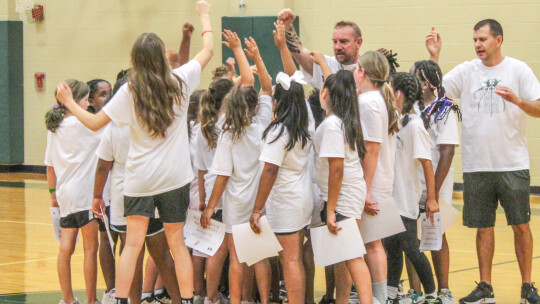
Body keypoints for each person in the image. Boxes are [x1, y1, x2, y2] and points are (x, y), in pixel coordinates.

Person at [54, 2, 215, 303]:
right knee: (177, 243)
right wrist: (204, 15)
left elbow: (93, 123)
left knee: (132, 245)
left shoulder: (129, 91)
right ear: (160, 57)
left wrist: (69, 102)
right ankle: (189, 299)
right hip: (174, 177)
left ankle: (122, 300)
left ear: (136, 60)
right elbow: (207, 50)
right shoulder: (180, 81)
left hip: (139, 179)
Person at [427, 20, 540, 304]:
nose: (477, 44)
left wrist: (518, 101)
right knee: (483, 227)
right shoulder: (467, 71)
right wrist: (434, 57)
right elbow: (434, 91)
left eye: (483, 39)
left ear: (498, 40)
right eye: (475, 40)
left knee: (521, 226)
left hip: (512, 163)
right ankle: (485, 287)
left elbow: (539, 107)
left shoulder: (518, 70)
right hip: (477, 165)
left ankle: (527, 286)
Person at [200, 33, 273, 304]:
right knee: (259, 258)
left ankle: (235, 301)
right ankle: (263, 301)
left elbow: (222, 176)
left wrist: (210, 207)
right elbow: (262, 84)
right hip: (259, 202)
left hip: (235, 204)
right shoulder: (264, 124)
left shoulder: (227, 132)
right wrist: (255, 57)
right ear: (255, 108)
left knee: (237, 260)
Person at [311, 57, 374, 304]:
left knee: (352, 255)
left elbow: (336, 169)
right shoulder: (343, 120)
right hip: (346, 191)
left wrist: (330, 209)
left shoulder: (333, 125)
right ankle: (343, 300)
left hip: (343, 194)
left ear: (325, 93)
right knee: (342, 253)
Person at [403, 60, 460, 304]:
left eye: (415, 77)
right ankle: (415, 290)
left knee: (435, 233)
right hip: (410, 180)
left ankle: (443, 290)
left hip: (437, 180)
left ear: (426, 82)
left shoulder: (444, 109)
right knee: (409, 236)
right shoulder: (410, 108)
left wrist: (433, 193)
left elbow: (447, 152)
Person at [383, 72, 440, 304]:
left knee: (411, 248)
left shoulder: (415, 126)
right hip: (391, 197)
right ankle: (390, 293)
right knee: (392, 246)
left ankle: (432, 294)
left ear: (397, 94)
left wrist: (432, 199)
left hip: (406, 198)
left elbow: (427, 163)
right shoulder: (395, 121)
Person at [45, 79, 100, 304]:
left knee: (65, 248)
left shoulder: (54, 128)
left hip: (65, 195)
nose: (88, 105)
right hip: (86, 194)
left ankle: (67, 300)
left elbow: (50, 167)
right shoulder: (85, 124)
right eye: (86, 100)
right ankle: (90, 300)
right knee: (90, 249)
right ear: (75, 101)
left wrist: (52, 196)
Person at [354, 51, 400, 304]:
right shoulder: (377, 99)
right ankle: (374, 297)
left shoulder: (368, 101)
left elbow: (371, 149)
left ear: (362, 72)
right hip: (378, 180)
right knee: (373, 244)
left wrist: (364, 189)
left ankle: (377, 298)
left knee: (371, 245)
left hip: (371, 182)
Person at [277, 8, 362, 90]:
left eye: (344, 42)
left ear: (358, 42)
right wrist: (287, 27)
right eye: (335, 42)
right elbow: (299, 51)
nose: (338, 47)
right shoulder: (324, 63)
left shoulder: (368, 68)